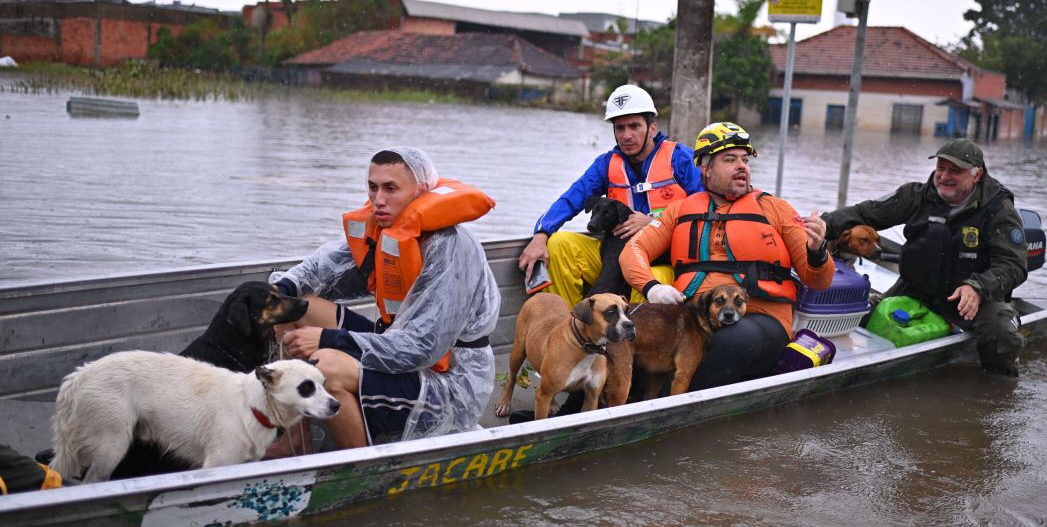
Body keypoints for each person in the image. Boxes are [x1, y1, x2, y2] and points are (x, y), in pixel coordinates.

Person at [272, 146, 500, 447]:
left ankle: (360, 469)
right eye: (372, 187)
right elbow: (320, 268)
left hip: (451, 382)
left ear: (421, 190)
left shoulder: (451, 246)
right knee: (290, 308)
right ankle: (295, 442)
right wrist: (282, 290)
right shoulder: (384, 226)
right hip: (395, 343)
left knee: (326, 367)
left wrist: (329, 339)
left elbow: (422, 348)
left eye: (390, 188)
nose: (378, 200)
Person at [619, 122, 835, 390]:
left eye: (744, 160)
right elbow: (633, 251)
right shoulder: (680, 210)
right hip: (692, 319)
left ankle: (666, 404)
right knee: (624, 330)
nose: (741, 166)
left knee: (730, 339)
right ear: (705, 169)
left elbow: (818, 281)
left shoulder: (776, 209)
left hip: (760, 319)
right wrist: (652, 288)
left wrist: (817, 252)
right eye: (730, 160)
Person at [823, 138, 1027, 376]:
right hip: (916, 287)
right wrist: (818, 226)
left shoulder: (998, 210)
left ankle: (996, 391)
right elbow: (863, 213)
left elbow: (1013, 264)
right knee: (858, 316)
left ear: (977, 174)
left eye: (955, 170)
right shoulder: (916, 196)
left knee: (1000, 334)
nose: (944, 176)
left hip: (970, 298)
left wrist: (978, 287)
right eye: (941, 167)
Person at [518, 84, 704, 303]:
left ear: (652, 128)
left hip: (665, 261)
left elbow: (703, 208)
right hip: (614, 257)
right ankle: (568, 329)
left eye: (634, 126)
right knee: (559, 244)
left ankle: (632, 335)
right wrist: (541, 234)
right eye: (620, 128)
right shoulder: (606, 165)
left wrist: (654, 224)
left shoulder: (681, 159)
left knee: (649, 278)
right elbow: (571, 199)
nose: (626, 135)